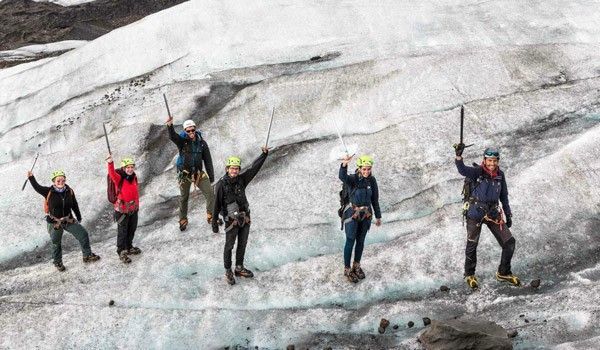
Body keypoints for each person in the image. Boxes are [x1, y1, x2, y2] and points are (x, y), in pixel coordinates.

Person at [454, 144, 519, 289]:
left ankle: (503, 272)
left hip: (493, 213)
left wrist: (508, 214)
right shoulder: (477, 172)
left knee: (509, 242)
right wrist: (459, 157)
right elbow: (462, 170)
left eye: (495, 160)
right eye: (489, 160)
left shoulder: (500, 175)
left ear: (498, 161)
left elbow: (504, 196)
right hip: (475, 213)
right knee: (472, 244)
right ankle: (469, 274)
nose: (492, 163)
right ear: (484, 160)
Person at [212, 147, 269, 285]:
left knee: (242, 244)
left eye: (236, 168)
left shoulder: (241, 179)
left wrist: (264, 154)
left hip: (245, 218)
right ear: (227, 169)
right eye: (232, 168)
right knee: (229, 246)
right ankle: (228, 270)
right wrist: (214, 222)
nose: (234, 171)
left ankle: (239, 268)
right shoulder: (220, 184)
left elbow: (253, 169)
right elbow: (216, 205)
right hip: (231, 221)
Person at [27, 170, 100, 271]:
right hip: (54, 222)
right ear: (54, 181)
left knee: (83, 234)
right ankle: (58, 262)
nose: (61, 181)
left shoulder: (69, 191)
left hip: (68, 219)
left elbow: (74, 204)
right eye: (58, 180)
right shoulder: (48, 191)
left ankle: (87, 255)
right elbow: (37, 187)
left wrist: (78, 216)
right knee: (56, 242)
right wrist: (31, 177)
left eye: (63, 179)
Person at [166, 116, 215, 231]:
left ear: (195, 129)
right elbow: (173, 136)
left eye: (192, 130)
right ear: (185, 131)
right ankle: (183, 219)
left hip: (198, 173)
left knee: (210, 194)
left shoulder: (202, 143)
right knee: (184, 197)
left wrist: (211, 176)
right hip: (184, 174)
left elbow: (207, 160)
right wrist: (170, 126)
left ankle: (211, 215)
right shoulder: (182, 142)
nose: (191, 132)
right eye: (188, 131)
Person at [338, 154, 382, 283]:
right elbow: (342, 176)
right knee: (350, 240)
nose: (366, 171)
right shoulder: (353, 179)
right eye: (364, 169)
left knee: (361, 241)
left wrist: (378, 216)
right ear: (359, 168)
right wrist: (344, 164)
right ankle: (347, 269)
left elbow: (375, 199)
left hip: (366, 215)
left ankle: (356, 265)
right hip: (352, 215)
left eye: (368, 169)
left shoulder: (372, 181)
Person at [106, 155, 140, 264]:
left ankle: (129, 247)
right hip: (121, 211)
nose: (130, 169)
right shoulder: (119, 178)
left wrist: (137, 206)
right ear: (124, 168)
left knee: (132, 229)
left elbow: (135, 193)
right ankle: (121, 251)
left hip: (133, 209)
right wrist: (110, 163)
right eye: (127, 167)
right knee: (122, 231)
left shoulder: (134, 177)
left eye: (131, 167)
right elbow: (112, 174)